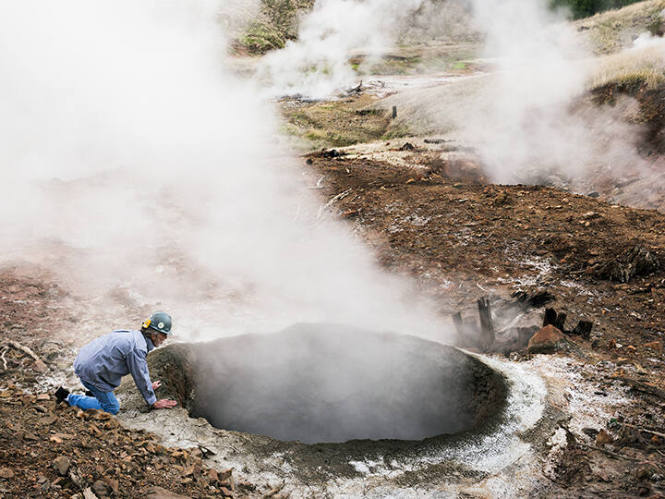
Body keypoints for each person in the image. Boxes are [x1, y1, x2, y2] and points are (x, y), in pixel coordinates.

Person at [55, 312, 178, 414]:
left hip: (86, 362)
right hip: (90, 371)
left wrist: (148, 386)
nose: (165, 339)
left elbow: (141, 367)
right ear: (153, 334)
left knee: (107, 392)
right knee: (112, 408)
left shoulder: (134, 337)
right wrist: (153, 402)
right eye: (164, 335)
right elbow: (139, 374)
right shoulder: (137, 347)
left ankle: (93, 393)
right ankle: (68, 398)